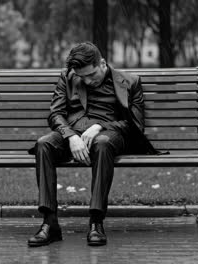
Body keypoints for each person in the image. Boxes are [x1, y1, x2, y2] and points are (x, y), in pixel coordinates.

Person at [27, 42, 158, 247]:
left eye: (91, 75)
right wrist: (71, 136)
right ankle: (49, 223)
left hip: (110, 135)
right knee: (43, 144)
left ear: (103, 63)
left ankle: (96, 222)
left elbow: (135, 125)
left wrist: (99, 126)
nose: (87, 81)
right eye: (82, 77)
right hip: (73, 133)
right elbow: (55, 114)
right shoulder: (68, 77)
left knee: (103, 143)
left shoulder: (130, 82)